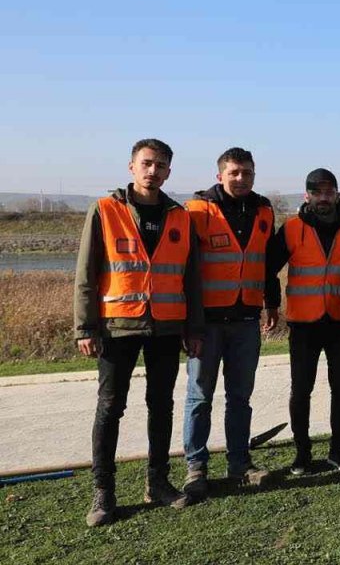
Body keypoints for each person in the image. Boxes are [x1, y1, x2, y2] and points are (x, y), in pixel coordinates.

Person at [73, 138, 204, 526]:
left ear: (168, 172)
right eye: (147, 163)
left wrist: (193, 328)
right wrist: (85, 326)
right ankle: (104, 492)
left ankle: (158, 482)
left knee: (161, 406)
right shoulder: (106, 210)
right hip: (117, 327)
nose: (153, 171)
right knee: (110, 408)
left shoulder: (180, 216)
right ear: (132, 167)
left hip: (165, 327)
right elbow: (85, 274)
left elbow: (191, 280)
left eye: (161, 165)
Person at [182, 147, 278, 500]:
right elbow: (184, 268)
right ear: (219, 174)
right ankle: (196, 467)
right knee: (199, 396)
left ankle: (240, 463)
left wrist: (272, 303)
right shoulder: (196, 211)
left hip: (246, 319)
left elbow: (265, 262)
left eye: (247, 173)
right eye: (234, 172)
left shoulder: (264, 210)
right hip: (206, 322)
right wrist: (188, 322)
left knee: (240, 397)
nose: (241, 179)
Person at [266, 168, 340, 475]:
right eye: (317, 192)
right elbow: (267, 268)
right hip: (303, 323)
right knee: (301, 390)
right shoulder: (292, 228)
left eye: (329, 192)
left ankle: (338, 450)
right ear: (306, 195)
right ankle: (302, 454)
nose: (324, 197)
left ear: (337, 194)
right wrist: (271, 305)